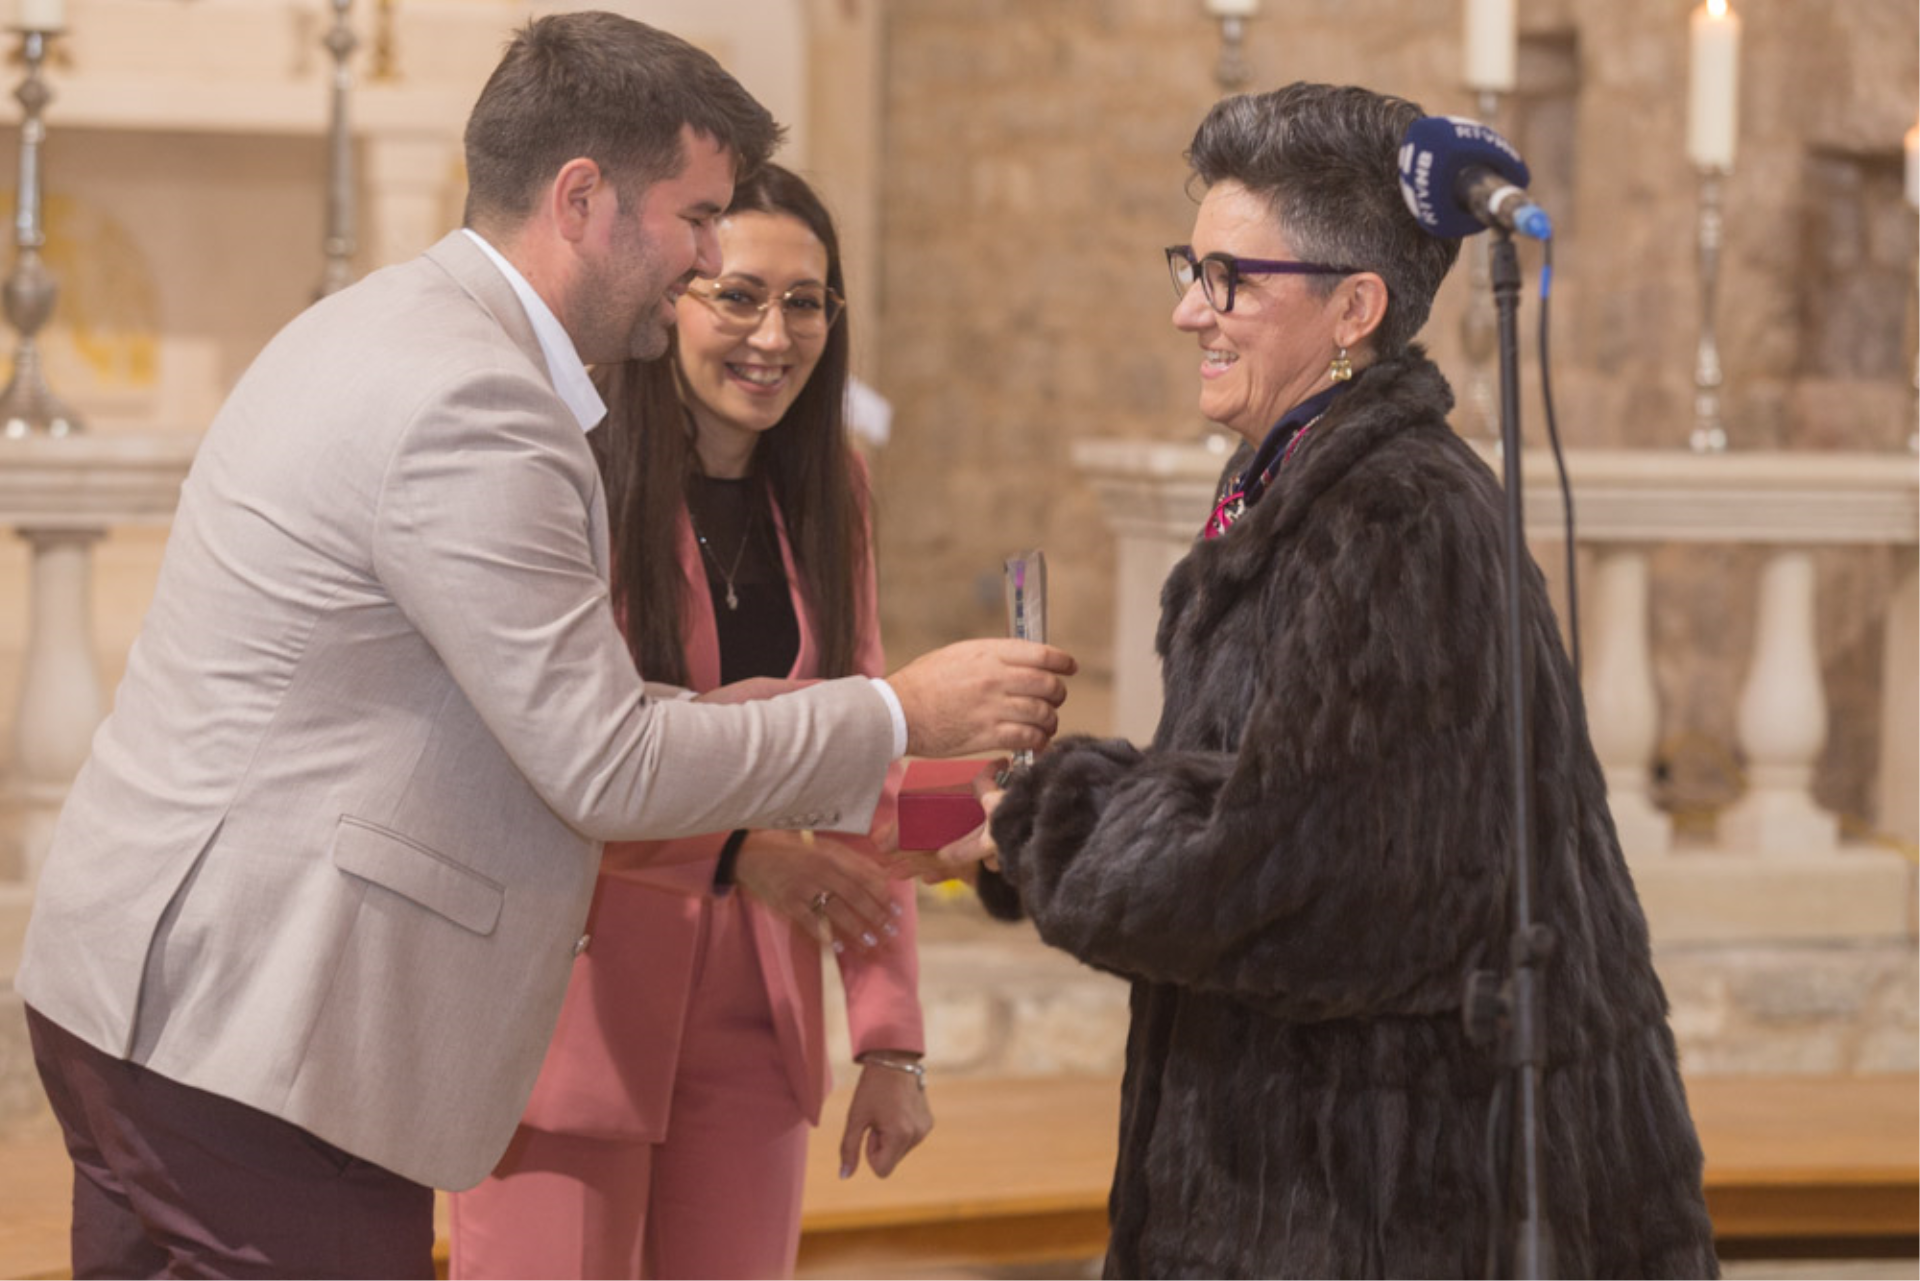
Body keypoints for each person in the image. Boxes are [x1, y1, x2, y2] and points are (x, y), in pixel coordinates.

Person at [14, 14, 1073, 1278]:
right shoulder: (482, 401)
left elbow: (566, 702)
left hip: (142, 992)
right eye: (695, 221)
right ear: (582, 200)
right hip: (256, 1026)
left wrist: (930, 814)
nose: (705, 260)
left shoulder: (389, 322)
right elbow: (605, 764)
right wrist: (899, 715)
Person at [907, 83, 1718, 1279]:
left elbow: (1306, 873)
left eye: (1229, 279)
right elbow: (1275, 796)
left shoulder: (1395, 517)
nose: (1188, 309)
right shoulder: (1306, 482)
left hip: (1389, 1194)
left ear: (1354, 308)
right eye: (1191, 268)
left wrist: (1049, 822)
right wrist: (1041, 826)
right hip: (1312, 1169)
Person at [449, 164, 930, 1279]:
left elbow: (864, 752)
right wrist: (734, 849)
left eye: (805, 302)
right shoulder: (570, 470)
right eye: (741, 296)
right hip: (576, 998)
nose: (774, 334)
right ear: (676, 296)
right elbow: (534, 755)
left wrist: (892, 1039)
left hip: (756, 1012)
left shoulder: (832, 488)